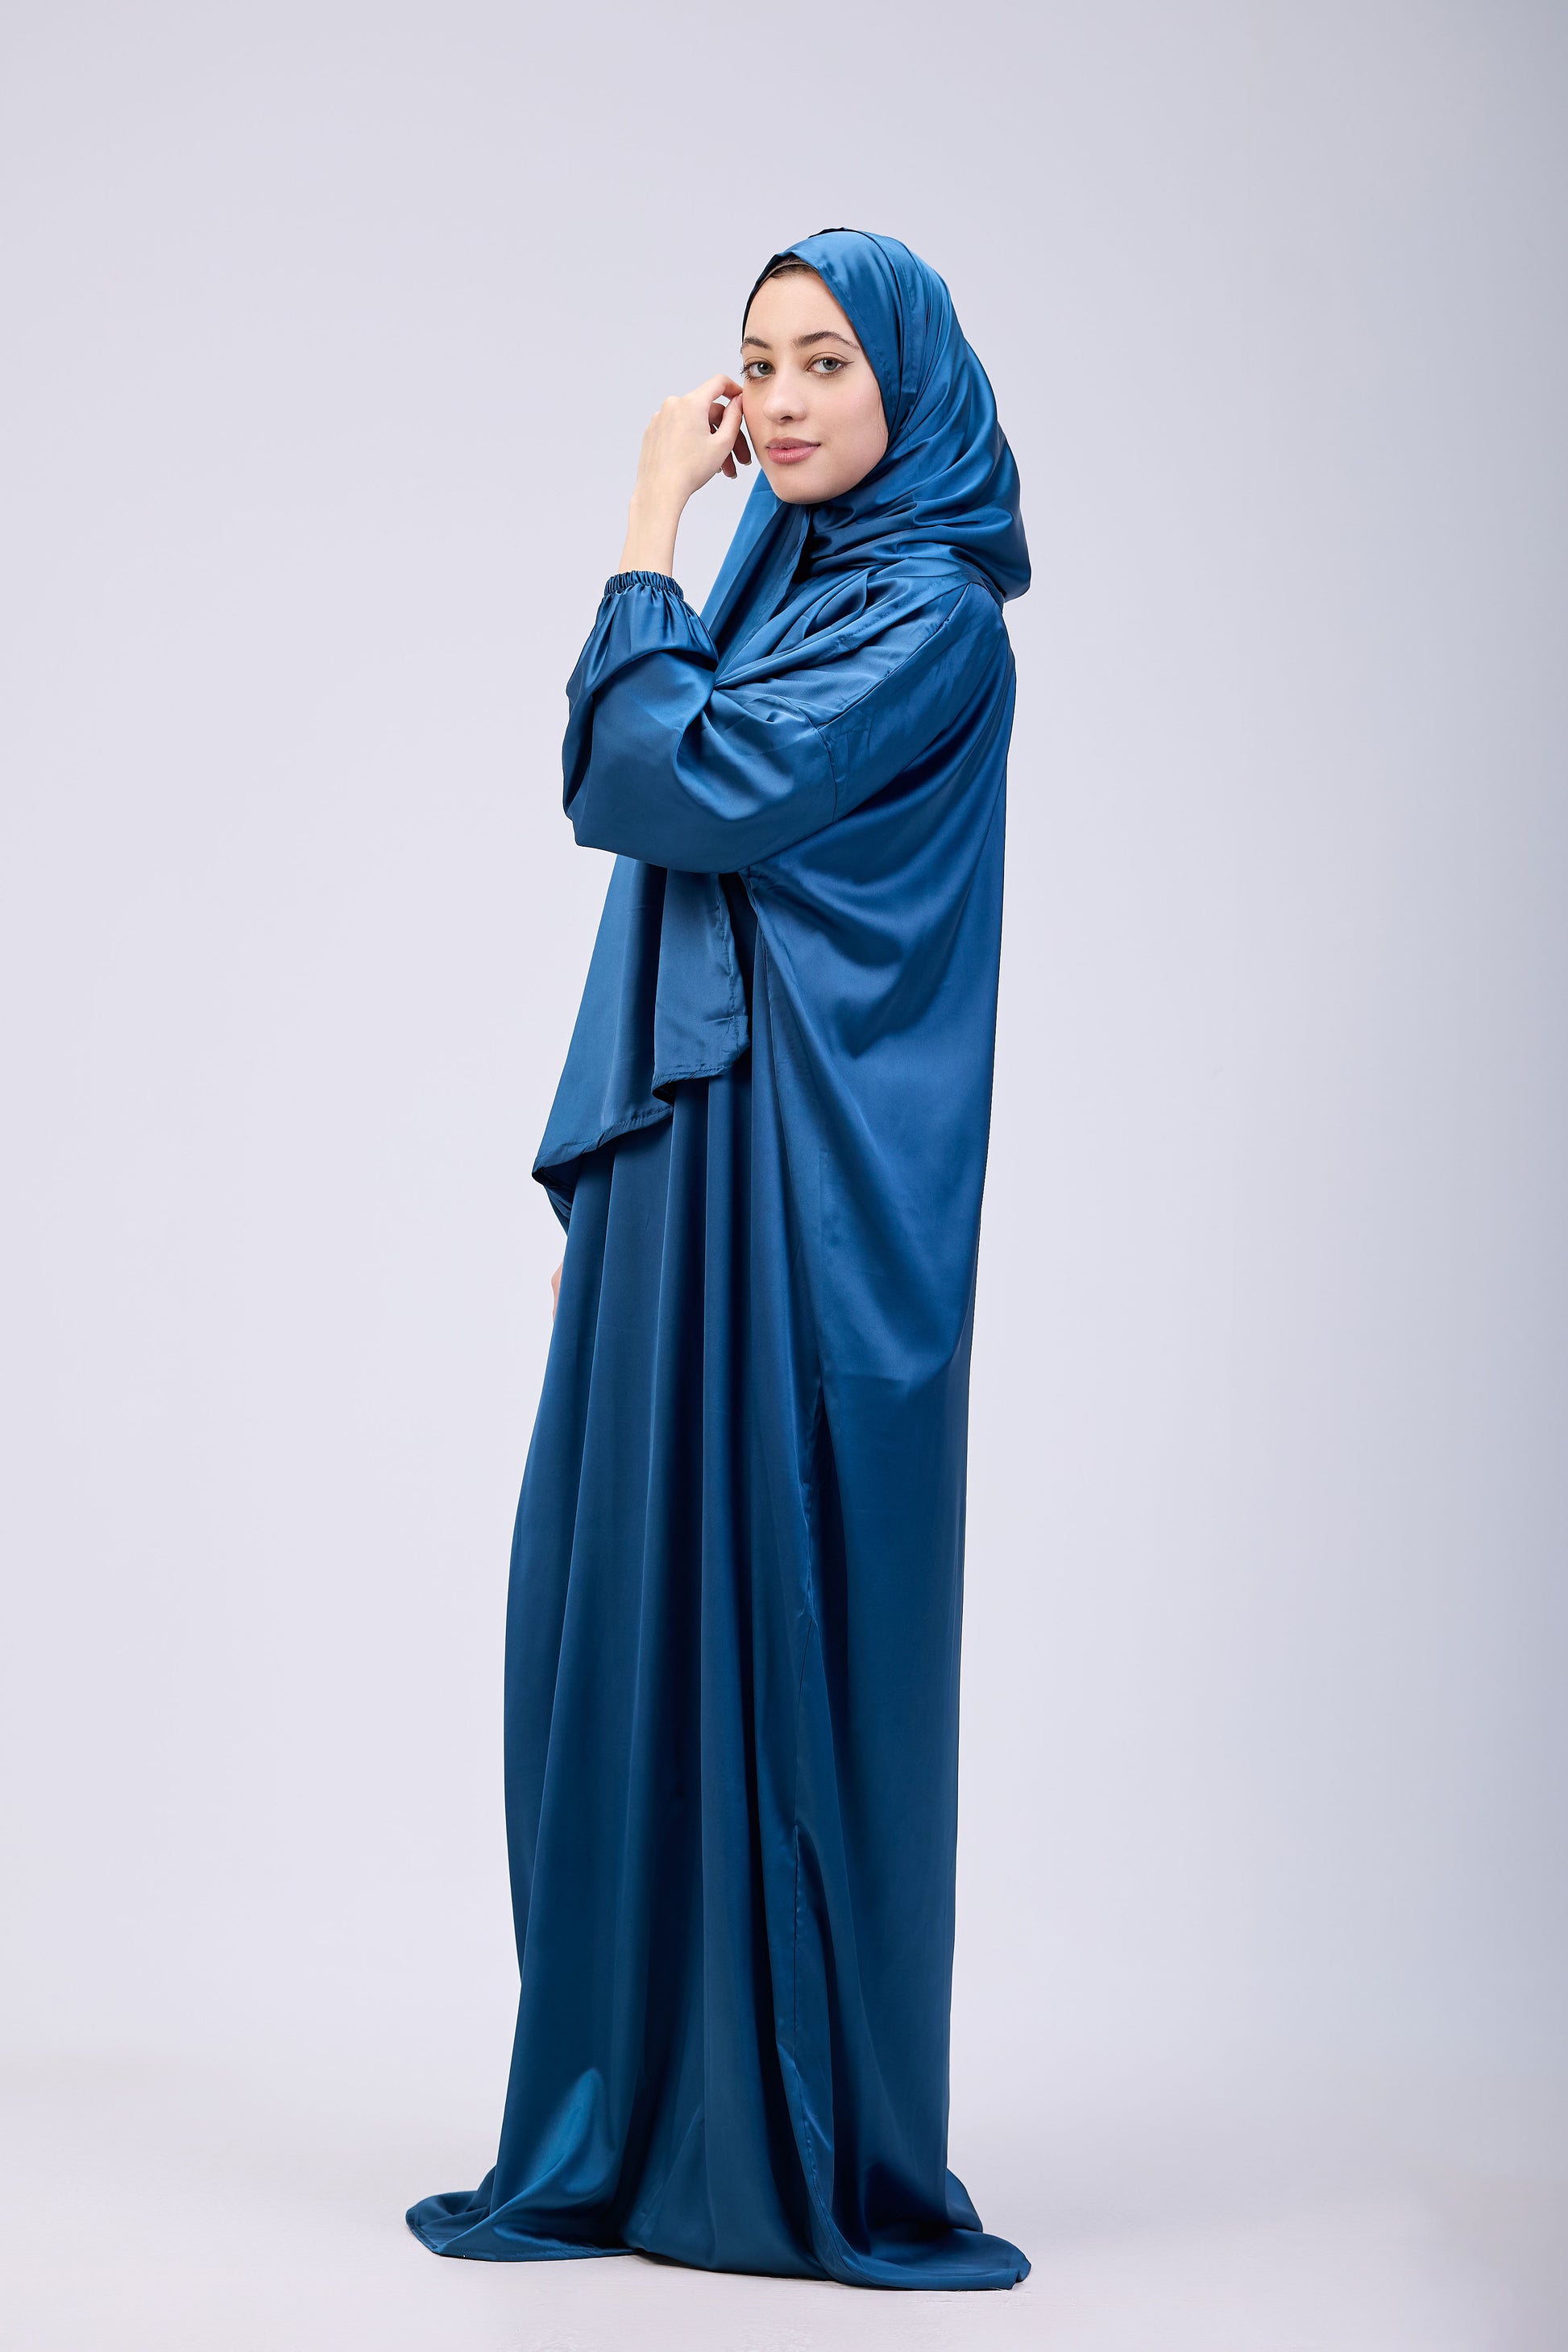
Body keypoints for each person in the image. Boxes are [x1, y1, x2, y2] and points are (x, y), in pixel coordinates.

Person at [406, 228, 1031, 2291]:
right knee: (615, 1601)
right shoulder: (788, 574)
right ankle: (642, 2102)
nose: (776, 398)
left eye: (825, 360)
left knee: (792, 1613)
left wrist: (646, 511)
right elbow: (638, 790)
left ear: (910, 385)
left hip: (814, 1195)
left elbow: (668, 775)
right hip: (698, 1159)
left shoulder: (929, 614)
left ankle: (780, 2141)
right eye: (755, 362)